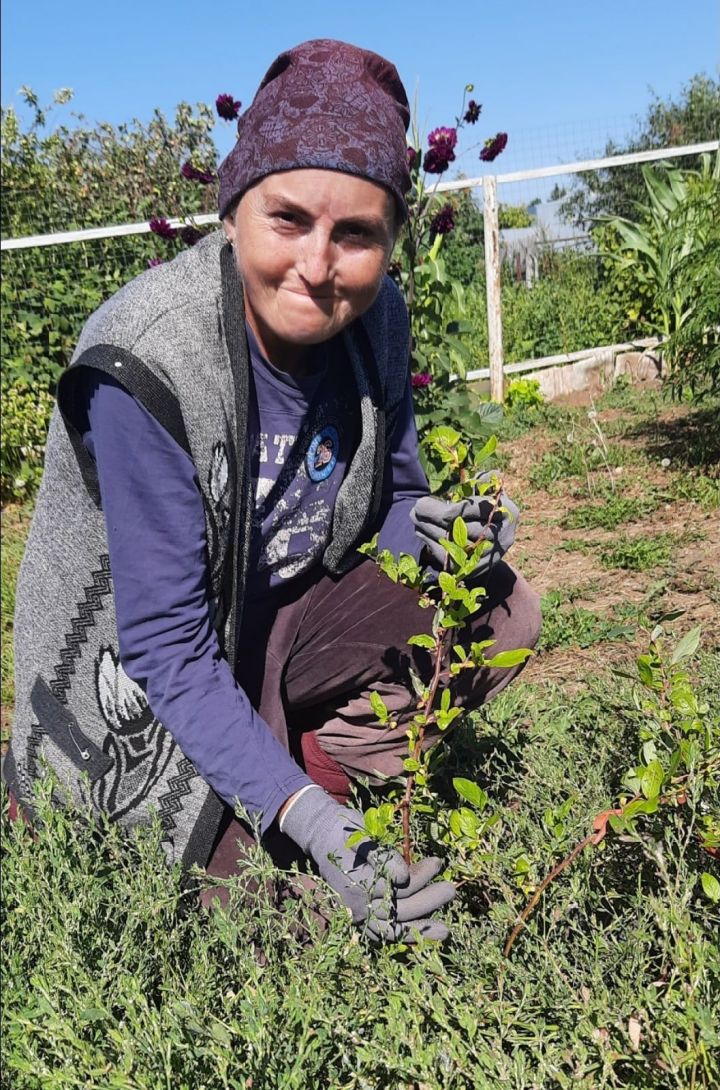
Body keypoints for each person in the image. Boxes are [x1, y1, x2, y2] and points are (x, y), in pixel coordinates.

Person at [5, 39, 541, 942]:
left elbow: (394, 499)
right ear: (231, 214)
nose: (319, 264)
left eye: (357, 234)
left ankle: (290, 769)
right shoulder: (149, 363)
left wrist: (445, 531)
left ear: (390, 238)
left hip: (276, 624)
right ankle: (219, 795)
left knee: (499, 612)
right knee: (257, 927)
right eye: (288, 219)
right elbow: (167, 648)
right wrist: (320, 826)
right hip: (144, 673)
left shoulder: (376, 323)